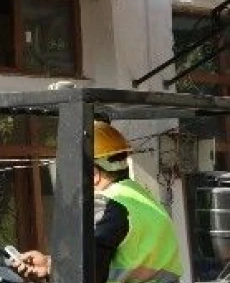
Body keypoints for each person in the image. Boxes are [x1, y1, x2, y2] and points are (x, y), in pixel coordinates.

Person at [12, 120, 183, 283]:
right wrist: (51, 265)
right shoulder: (141, 198)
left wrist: (55, 272)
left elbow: (89, 273)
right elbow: (101, 259)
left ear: (93, 174)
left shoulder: (106, 204)